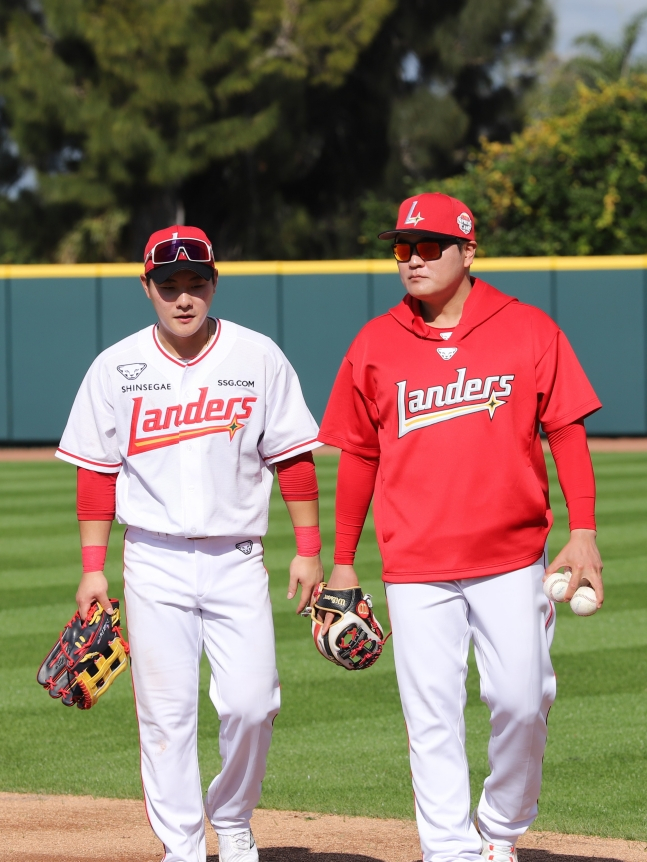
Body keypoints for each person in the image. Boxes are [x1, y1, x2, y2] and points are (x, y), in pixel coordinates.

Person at [317, 193, 604, 862]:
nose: (411, 260)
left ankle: (501, 825)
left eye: (427, 246)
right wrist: (342, 559)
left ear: (467, 251)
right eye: (401, 249)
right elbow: (358, 455)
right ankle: (448, 850)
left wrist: (583, 530)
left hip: (509, 558)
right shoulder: (375, 342)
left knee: (522, 702)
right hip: (414, 564)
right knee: (431, 719)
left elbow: (564, 428)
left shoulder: (526, 328)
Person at [56, 225, 324, 862]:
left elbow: (295, 460)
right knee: (167, 716)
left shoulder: (257, 356)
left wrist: (309, 548)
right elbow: (95, 472)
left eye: (195, 283)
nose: (183, 297)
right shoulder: (116, 368)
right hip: (153, 559)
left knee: (254, 703)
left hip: (237, 558)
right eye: (169, 285)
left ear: (214, 282)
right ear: (146, 286)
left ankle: (231, 817)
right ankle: (181, 846)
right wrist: (93, 569)